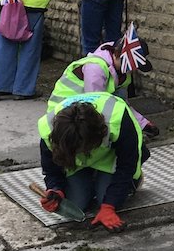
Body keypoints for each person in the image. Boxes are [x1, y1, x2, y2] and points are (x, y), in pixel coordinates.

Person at [38, 92, 149, 232]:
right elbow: (51, 170)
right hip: (76, 163)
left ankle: (133, 181)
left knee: (108, 198)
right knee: (76, 204)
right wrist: (55, 190)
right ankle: (93, 180)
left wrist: (109, 206)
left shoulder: (118, 120)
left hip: (109, 157)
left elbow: (127, 166)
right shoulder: (49, 132)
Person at [46, 23, 160, 139]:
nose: (132, 69)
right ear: (118, 55)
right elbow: (96, 106)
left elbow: (120, 105)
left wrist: (143, 124)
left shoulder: (121, 73)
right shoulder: (96, 69)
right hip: (62, 117)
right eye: (131, 65)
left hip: (78, 113)